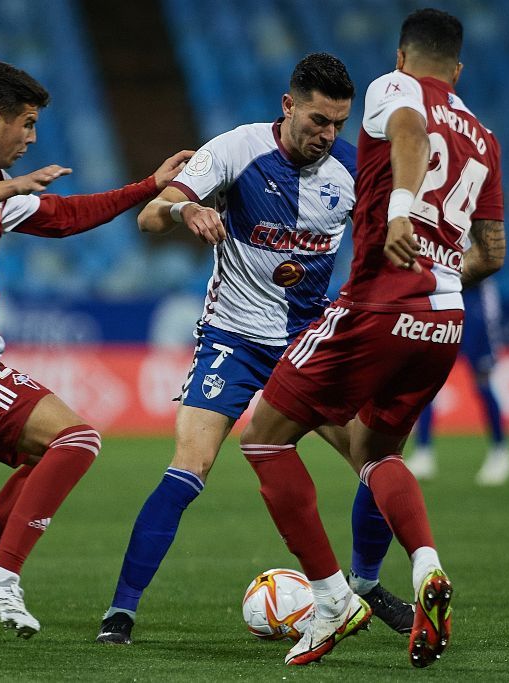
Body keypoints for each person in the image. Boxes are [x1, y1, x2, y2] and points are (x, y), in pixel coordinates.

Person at [95, 53, 414, 646]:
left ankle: (363, 585)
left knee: (375, 457)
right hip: (233, 336)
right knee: (189, 465)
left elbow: (391, 238)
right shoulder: (236, 150)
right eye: (318, 120)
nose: (328, 135)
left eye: (339, 124)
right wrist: (187, 207)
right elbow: (149, 218)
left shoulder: (354, 168)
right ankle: (122, 611)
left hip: (308, 342)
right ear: (287, 105)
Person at [238, 8, 506, 668]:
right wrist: (442, 279)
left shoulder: (396, 88)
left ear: (402, 54)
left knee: (263, 435)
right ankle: (426, 570)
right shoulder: (486, 135)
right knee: (374, 449)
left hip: (379, 303)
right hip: (443, 320)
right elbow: (493, 252)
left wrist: (402, 212)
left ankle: (332, 601)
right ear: (460, 69)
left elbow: (411, 131)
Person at [0, 60, 192, 641]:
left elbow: (64, 217)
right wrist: (1, 189)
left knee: (46, 459)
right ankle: (3, 579)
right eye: (26, 124)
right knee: (78, 438)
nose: (32, 137)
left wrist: (149, 186)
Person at [406, 276, 509, 485]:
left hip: (475, 297)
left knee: (482, 377)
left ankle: (500, 451)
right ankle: (423, 452)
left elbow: (491, 255)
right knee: (427, 375)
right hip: (442, 295)